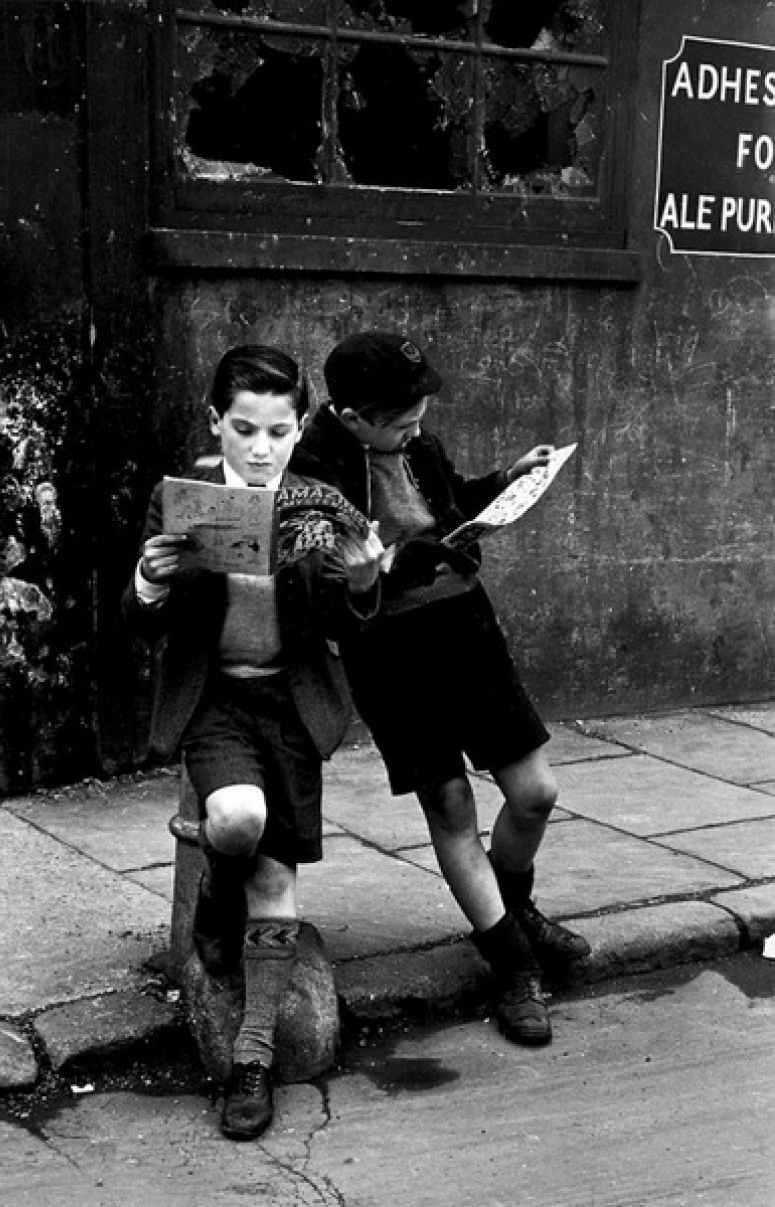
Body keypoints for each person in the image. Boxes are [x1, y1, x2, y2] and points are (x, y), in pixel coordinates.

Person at [290, 330, 590, 1047]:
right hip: (389, 652)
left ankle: (514, 905)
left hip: (465, 628)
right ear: (353, 415)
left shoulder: (415, 442)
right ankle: (510, 962)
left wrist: (507, 479)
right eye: (398, 421)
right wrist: (388, 565)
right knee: (449, 801)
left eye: (419, 413)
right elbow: (321, 592)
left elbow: (450, 504)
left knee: (534, 791)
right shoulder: (313, 469)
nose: (414, 429)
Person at [122, 344, 384, 1141]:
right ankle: (209, 900)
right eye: (244, 429)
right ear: (217, 423)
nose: (261, 448)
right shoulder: (186, 499)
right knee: (235, 819)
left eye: (277, 430)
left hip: (290, 705)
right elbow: (145, 621)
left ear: (299, 425)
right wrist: (151, 578)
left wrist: (364, 577)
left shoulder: (321, 503)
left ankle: (253, 1061)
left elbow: (344, 626)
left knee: (276, 883)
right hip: (216, 703)